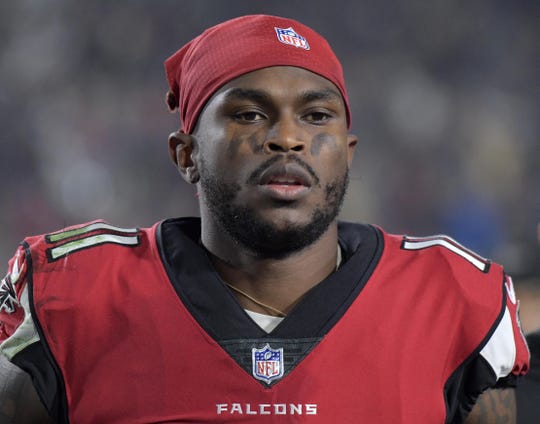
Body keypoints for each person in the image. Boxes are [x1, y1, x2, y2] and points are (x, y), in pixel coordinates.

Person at [0, 14, 530, 423]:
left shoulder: (454, 300)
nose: (288, 137)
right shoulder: (72, 299)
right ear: (186, 154)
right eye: (249, 114)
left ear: (347, 152)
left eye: (316, 115)